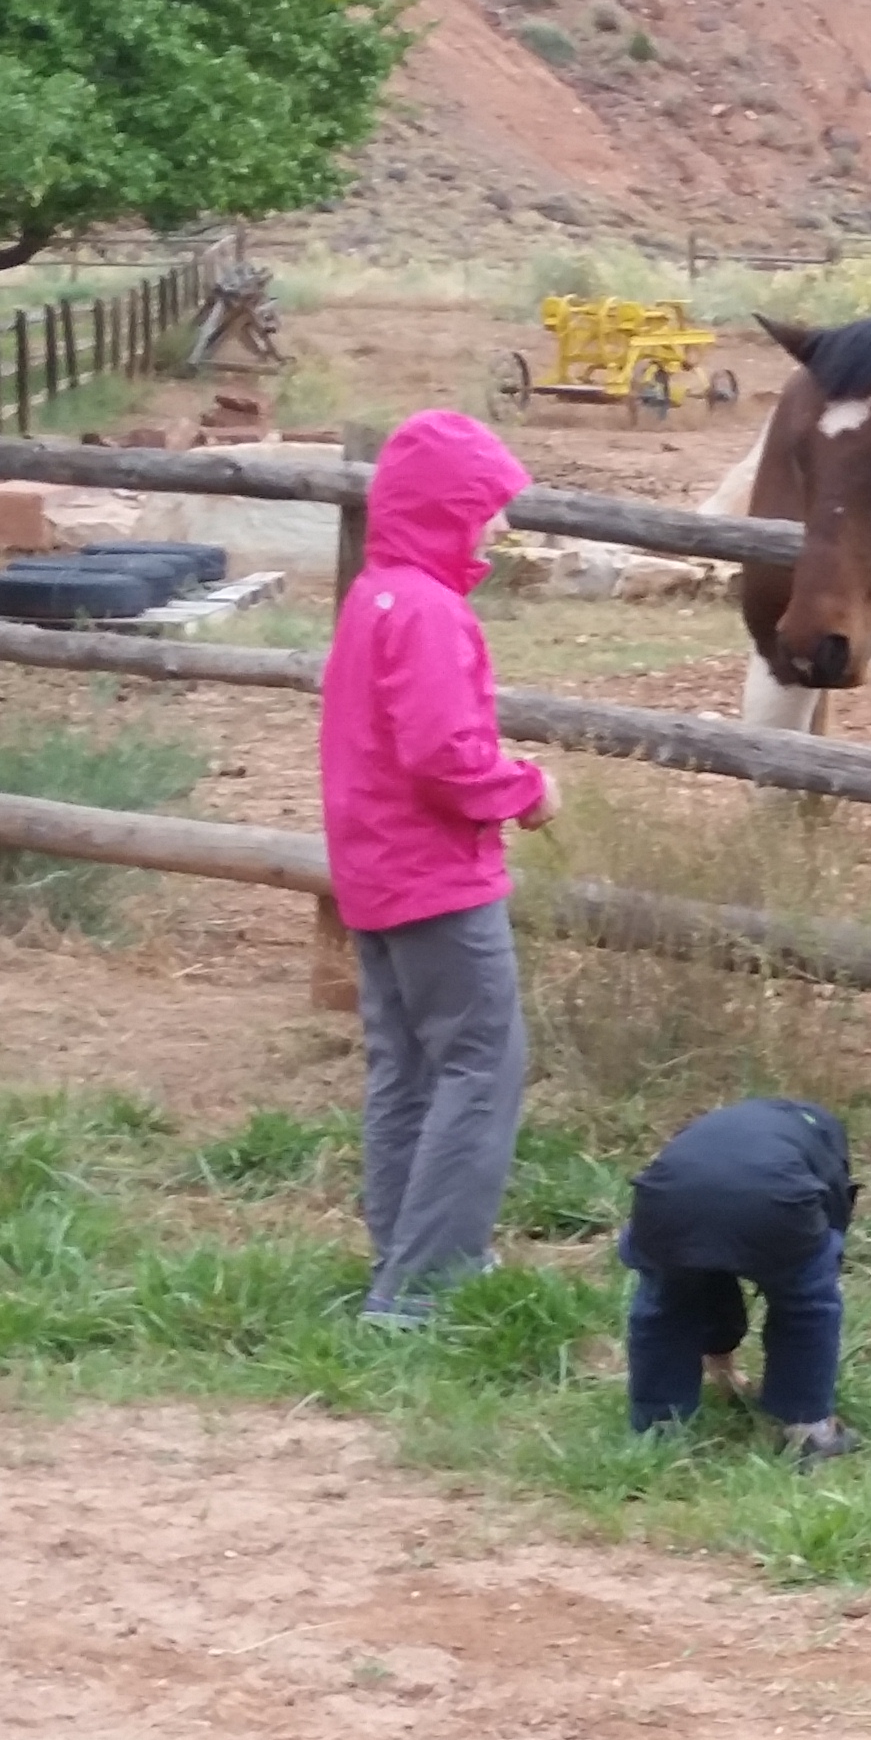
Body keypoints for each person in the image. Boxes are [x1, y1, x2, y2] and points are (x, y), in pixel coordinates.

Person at [320, 407, 558, 1325]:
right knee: (480, 1067)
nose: (499, 524)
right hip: (436, 877)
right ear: (447, 507)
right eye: (487, 504)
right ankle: (425, 1288)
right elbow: (445, 755)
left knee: (407, 1067)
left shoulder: (375, 595)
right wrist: (526, 788)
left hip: (375, 873)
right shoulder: (429, 612)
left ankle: (402, 1255)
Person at [624, 1096, 860, 1459]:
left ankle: (658, 1429)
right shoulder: (826, 1135)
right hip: (776, 1204)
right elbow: (835, 1215)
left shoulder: (717, 1123)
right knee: (805, 1304)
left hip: (665, 1201)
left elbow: (713, 1268)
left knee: (668, 1302)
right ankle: (807, 1430)